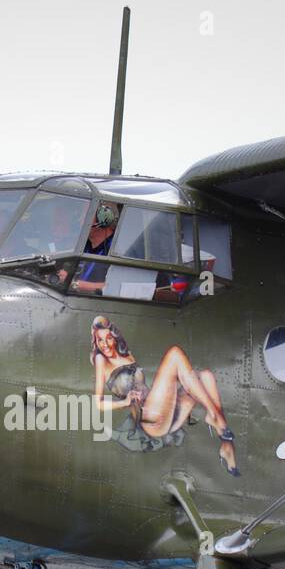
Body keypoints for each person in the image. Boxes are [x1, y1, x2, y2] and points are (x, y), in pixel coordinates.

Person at [90, 315, 239, 475]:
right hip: (150, 418)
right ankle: (215, 417)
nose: (105, 344)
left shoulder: (126, 354)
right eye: (100, 340)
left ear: (115, 337)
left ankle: (226, 445)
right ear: (96, 342)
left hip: (164, 411)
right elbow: (98, 403)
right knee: (175, 354)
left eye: (109, 338)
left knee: (207, 377)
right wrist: (125, 402)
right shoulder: (100, 360)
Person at [64, 203, 119, 294]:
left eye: (86, 215)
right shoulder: (83, 245)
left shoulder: (117, 251)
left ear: (104, 218)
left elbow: (115, 287)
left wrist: (74, 283)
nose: (80, 220)